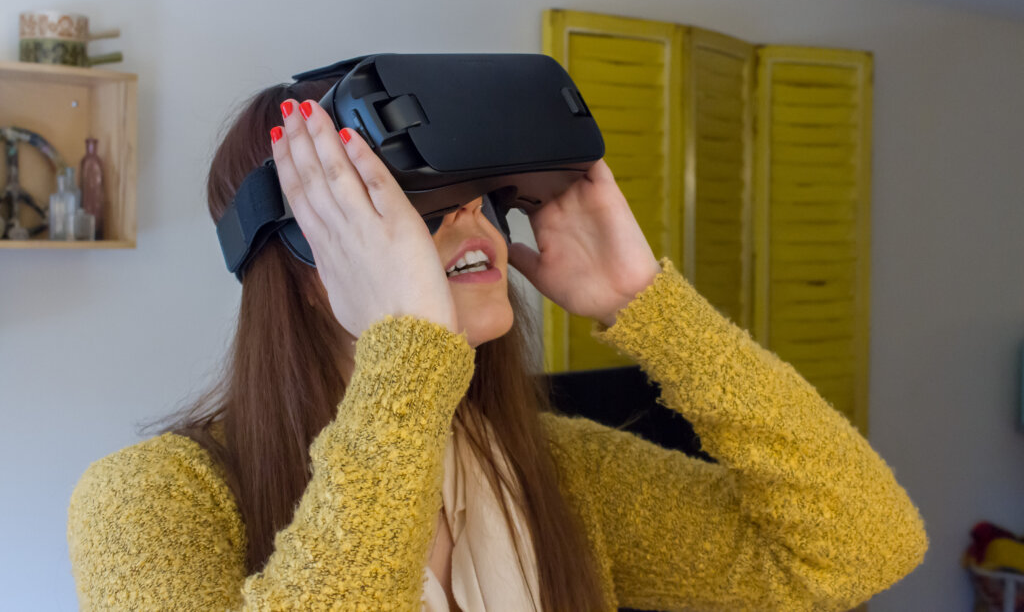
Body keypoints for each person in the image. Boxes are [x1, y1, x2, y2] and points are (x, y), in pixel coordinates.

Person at [67, 77, 928, 612]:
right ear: (304, 256)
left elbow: (858, 546)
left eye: (482, 192)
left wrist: (648, 305)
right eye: (414, 199)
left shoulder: (552, 470)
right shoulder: (149, 500)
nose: (472, 217)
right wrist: (403, 358)